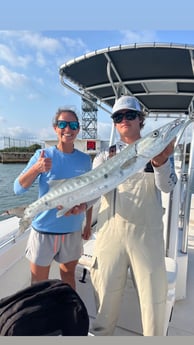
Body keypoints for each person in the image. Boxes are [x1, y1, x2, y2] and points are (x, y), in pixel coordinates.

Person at [90, 95, 177, 336]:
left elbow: (168, 187)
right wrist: (77, 206)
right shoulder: (103, 157)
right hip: (110, 235)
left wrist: (161, 162)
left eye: (130, 115)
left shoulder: (157, 148)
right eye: (119, 116)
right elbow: (93, 193)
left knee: (153, 304)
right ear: (115, 122)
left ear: (140, 120)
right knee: (104, 303)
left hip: (146, 236)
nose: (124, 120)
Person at [14, 107, 93, 290]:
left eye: (73, 125)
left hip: (72, 230)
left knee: (68, 276)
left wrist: (87, 224)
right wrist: (36, 169)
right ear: (55, 128)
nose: (68, 129)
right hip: (43, 231)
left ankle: (68, 315)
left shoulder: (84, 160)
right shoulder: (42, 155)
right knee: (39, 284)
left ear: (78, 129)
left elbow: (89, 194)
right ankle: (41, 318)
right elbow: (18, 189)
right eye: (62, 124)